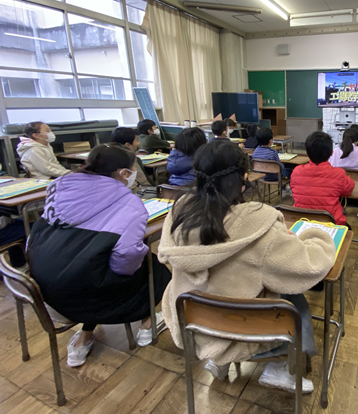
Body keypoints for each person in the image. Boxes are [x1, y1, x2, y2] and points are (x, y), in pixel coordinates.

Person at [158, 141, 335, 393]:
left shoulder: (178, 212)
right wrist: (318, 236)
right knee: (293, 296)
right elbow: (306, 266)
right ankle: (279, 368)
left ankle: (219, 363)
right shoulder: (258, 223)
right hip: (241, 332)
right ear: (243, 177)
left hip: (193, 324)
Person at [27, 144, 171, 367]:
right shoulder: (129, 203)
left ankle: (84, 337)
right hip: (87, 295)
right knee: (154, 267)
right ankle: (148, 323)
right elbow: (126, 260)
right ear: (124, 173)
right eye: (132, 170)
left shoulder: (59, 188)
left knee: (90, 265)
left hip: (42, 287)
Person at [290, 131, 355, 226]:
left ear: (306, 153)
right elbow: (348, 190)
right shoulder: (338, 174)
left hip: (302, 222)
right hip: (330, 223)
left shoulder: (296, 171)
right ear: (331, 153)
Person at [111, 127, 153, 191]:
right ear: (127, 145)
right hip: (137, 191)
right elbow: (144, 182)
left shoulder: (109, 156)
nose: (139, 143)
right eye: (137, 140)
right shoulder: (130, 159)